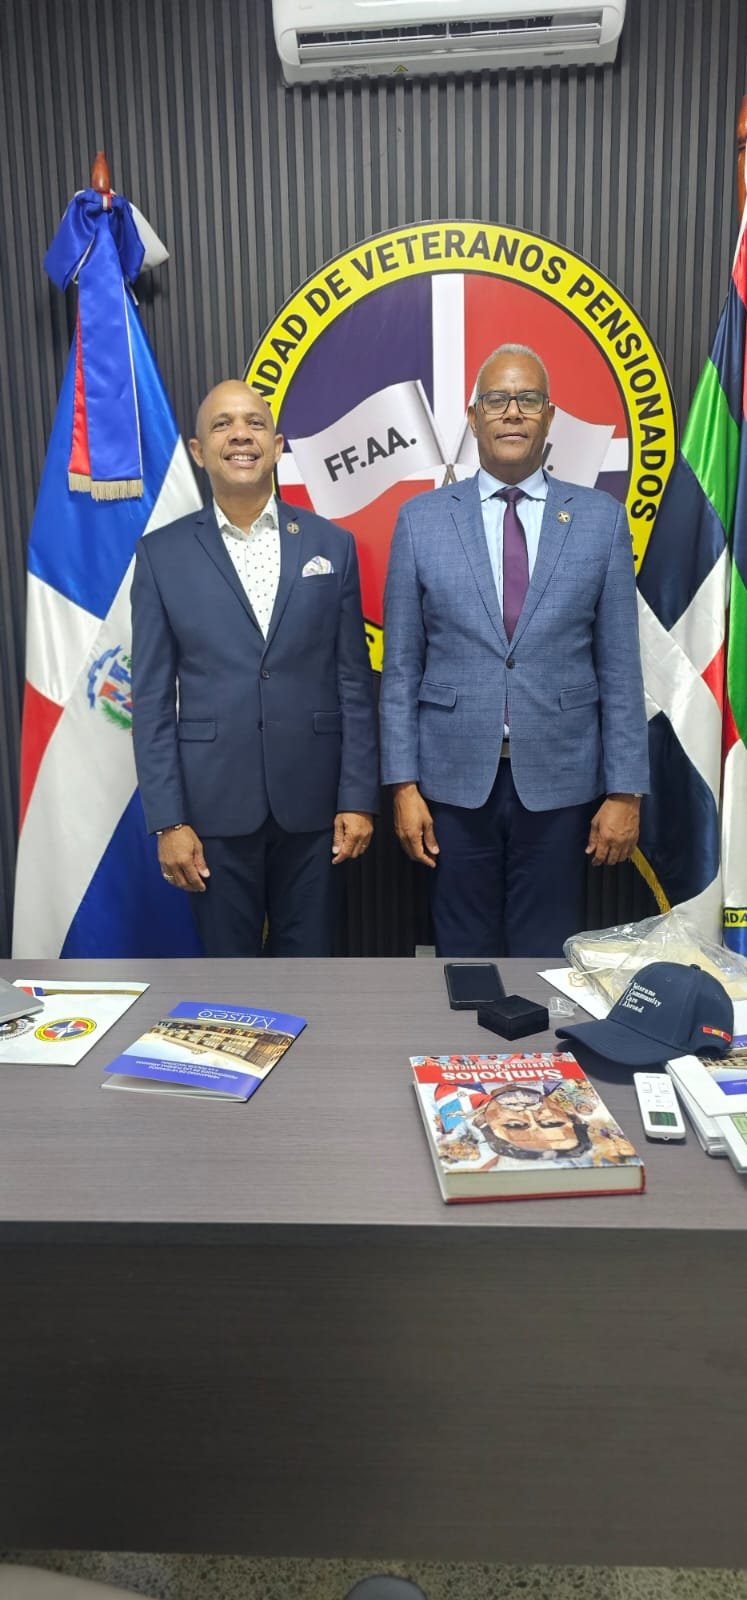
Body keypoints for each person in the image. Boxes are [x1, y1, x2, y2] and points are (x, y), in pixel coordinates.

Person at [380, 343, 649, 958]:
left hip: (562, 781)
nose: (512, 412)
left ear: (549, 416)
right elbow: (401, 671)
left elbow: (620, 668)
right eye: (497, 399)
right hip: (450, 784)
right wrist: (402, 786)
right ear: (473, 417)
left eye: (528, 399)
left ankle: (539, 1033)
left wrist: (625, 791)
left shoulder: (601, 520)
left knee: (545, 956)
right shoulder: (420, 521)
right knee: (463, 956)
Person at [131, 379, 378, 956]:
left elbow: (353, 683)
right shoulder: (160, 555)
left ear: (278, 445)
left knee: (311, 970)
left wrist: (357, 797)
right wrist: (169, 820)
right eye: (222, 425)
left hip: (316, 809)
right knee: (228, 978)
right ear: (199, 451)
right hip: (211, 812)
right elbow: (152, 700)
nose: (240, 435)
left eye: (254, 423)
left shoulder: (332, 546)